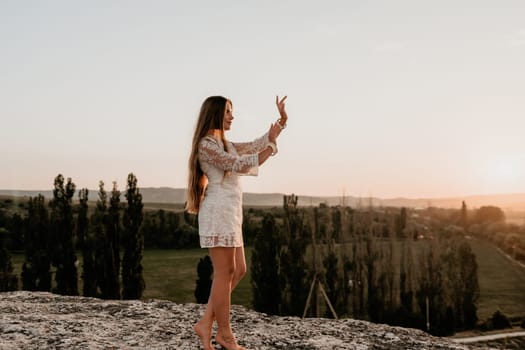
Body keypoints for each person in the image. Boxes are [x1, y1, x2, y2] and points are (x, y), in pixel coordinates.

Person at [186, 95, 288, 350]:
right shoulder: (207, 145)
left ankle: (206, 322)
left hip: (231, 213)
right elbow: (239, 164)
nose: (232, 116)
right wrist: (271, 148)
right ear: (215, 114)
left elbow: (252, 147)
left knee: (238, 269)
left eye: (232, 111)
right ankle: (225, 334)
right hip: (218, 211)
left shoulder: (224, 143)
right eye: (228, 112)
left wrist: (279, 126)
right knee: (224, 273)